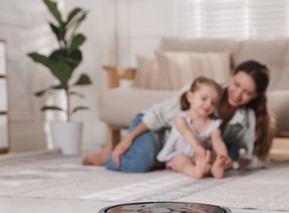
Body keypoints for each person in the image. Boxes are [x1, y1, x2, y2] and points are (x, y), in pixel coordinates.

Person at [82, 59, 276, 173]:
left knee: (230, 151)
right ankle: (108, 154)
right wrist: (129, 139)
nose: (237, 94)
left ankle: (157, 159)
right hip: (156, 131)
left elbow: (257, 158)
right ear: (231, 76)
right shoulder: (204, 89)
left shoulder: (248, 118)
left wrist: (230, 163)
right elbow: (157, 116)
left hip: (185, 148)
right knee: (140, 162)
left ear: (256, 96)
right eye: (236, 85)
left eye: (247, 93)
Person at [156, 76, 230, 179]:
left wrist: (223, 155)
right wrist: (196, 147)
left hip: (200, 157)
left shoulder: (212, 124)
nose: (208, 104)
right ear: (190, 97)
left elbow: (217, 140)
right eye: (204, 98)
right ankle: (195, 171)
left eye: (213, 103)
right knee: (182, 163)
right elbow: (186, 132)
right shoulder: (181, 118)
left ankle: (213, 169)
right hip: (179, 154)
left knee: (208, 160)